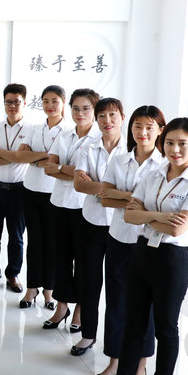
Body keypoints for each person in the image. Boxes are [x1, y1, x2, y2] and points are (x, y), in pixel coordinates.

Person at [99, 118, 188, 375]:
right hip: (141, 254)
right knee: (133, 324)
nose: (175, 149)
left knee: (166, 329)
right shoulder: (154, 174)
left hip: (172, 261)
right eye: (170, 143)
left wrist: (145, 214)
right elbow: (129, 215)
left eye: (183, 143)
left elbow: (177, 229)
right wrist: (158, 216)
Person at [91, 105, 166, 375]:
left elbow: (158, 207)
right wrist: (134, 199)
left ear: (160, 130)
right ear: (130, 127)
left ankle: (141, 365)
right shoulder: (119, 160)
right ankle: (114, 362)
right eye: (137, 126)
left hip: (148, 242)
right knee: (116, 301)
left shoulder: (164, 166)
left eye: (149, 127)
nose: (142, 132)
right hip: (119, 238)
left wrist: (124, 197)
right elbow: (105, 198)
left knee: (145, 305)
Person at [70, 98, 127, 356]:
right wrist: (115, 191)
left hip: (121, 228)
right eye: (101, 115)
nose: (107, 121)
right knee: (89, 281)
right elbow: (78, 184)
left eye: (112, 115)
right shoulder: (89, 147)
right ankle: (88, 335)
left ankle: (116, 345)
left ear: (122, 117)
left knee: (117, 288)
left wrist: (96, 186)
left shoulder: (131, 151)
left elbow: (136, 191)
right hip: (91, 222)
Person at [43, 88, 100, 331]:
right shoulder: (64, 135)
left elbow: (90, 179)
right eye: (75, 108)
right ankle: (62, 306)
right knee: (61, 258)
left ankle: (80, 309)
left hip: (83, 207)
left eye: (86, 108)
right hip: (59, 203)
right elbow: (49, 167)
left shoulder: (99, 139)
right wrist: (74, 171)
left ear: (95, 110)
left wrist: (63, 169)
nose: (80, 113)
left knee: (84, 261)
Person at [17, 85, 68, 309]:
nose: (49, 105)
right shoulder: (35, 128)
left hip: (55, 194)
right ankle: (31, 288)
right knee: (34, 242)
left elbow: (62, 162)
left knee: (52, 243)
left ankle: (49, 291)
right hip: (30, 190)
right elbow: (21, 155)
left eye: (54, 101)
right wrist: (47, 159)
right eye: (45, 101)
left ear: (63, 103)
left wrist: (36, 159)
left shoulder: (68, 131)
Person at [0, 83, 31, 294]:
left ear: (24, 103)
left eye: (16, 102)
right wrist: (16, 156)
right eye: (8, 102)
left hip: (19, 190)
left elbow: (26, 158)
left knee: (16, 237)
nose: (12, 106)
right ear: (3, 103)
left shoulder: (31, 130)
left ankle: (13, 274)